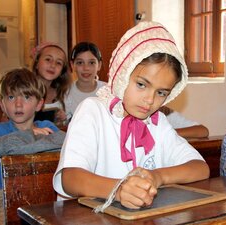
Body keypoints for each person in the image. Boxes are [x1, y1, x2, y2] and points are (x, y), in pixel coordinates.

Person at [53, 21, 210, 210]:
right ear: (122, 74)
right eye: (142, 85)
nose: (150, 100)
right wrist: (119, 189)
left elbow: (200, 168)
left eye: (161, 92)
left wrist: (158, 176)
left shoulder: (157, 122)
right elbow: (70, 178)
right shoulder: (93, 111)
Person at [0, 68, 66, 225]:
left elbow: (66, 143)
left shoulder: (47, 126)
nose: (18, 104)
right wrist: (29, 135)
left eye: (27, 97)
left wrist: (37, 136)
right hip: (4, 197)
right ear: (2, 104)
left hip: (46, 195)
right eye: (11, 97)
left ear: (39, 104)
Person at [31, 42, 72, 125]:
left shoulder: (63, 94)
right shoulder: (22, 91)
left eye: (58, 63)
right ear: (36, 64)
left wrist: (63, 121)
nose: (53, 65)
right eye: (48, 59)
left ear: (62, 71)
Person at [64, 42, 107, 119]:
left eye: (91, 63)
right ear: (72, 65)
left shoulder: (108, 91)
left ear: (99, 65)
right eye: (80, 63)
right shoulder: (65, 92)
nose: (86, 68)